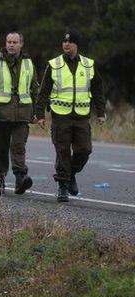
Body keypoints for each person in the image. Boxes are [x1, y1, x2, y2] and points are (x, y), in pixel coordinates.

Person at [35, 30, 107, 202]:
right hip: (61, 116)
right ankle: (63, 187)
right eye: (64, 41)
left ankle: (70, 174)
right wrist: (40, 114)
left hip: (82, 116)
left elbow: (98, 89)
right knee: (62, 151)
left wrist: (101, 112)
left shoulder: (89, 65)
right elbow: (43, 91)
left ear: (77, 45)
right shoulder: (54, 64)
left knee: (84, 150)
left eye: (70, 42)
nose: (66, 44)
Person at [0, 32, 39, 195]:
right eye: (9, 42)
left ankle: (20, 178)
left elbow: (35, 89)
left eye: (15, 42)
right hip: (0, 114)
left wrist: (37, 113)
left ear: (21, 44)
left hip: (22, 114)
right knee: (0, 149)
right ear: (5, 44)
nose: (11, 44)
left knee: (18, 146)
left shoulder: (28, 64)